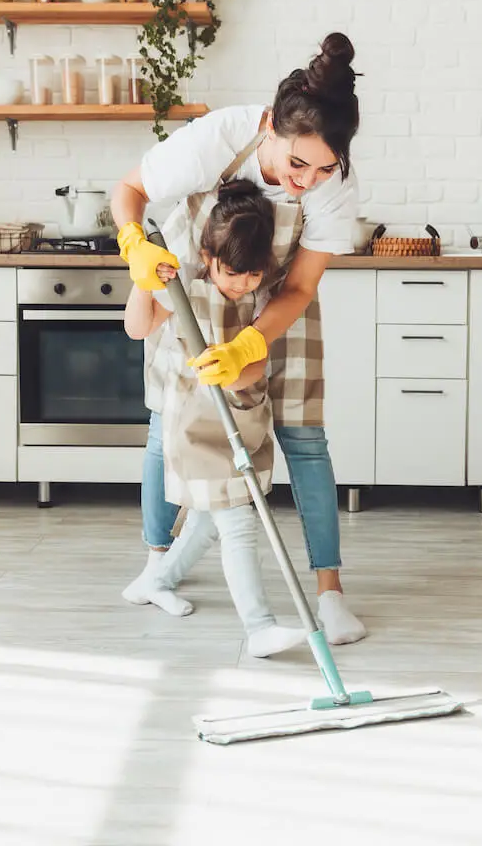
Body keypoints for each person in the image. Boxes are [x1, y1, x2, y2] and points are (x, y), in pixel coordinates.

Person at [114, 32, 368, 645]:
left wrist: (252, 345)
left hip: (280, 304)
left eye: (325, 166)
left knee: (305, 440)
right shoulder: (224, 136)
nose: (307, 180)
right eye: (296, 163)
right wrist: (135, 249)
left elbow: (300, 286)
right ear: (271, 129)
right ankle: (158, 564)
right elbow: (131, 191)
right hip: (196, 290)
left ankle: (329, 594)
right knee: (167, 427)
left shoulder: (335, 188)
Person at [122, 180, 307, 659]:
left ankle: (156, 582)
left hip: (241, 417)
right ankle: (260, 626)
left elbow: (259, 362)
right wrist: (145, 280)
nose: (240, 282)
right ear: (207, 255)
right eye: (230, 271)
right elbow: (137, 328)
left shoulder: (260, 296)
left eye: (250, 273)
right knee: (238, 520)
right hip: (194, 425)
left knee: (207, 517)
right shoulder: (183, 287)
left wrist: (238, 364)